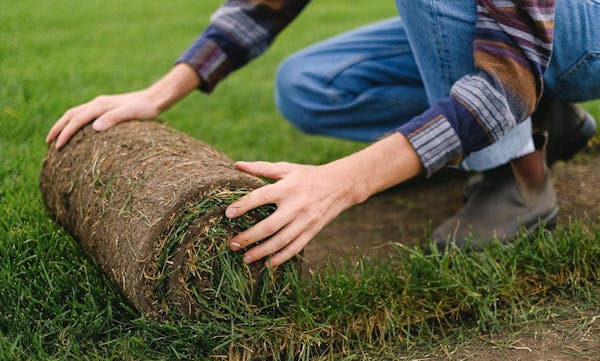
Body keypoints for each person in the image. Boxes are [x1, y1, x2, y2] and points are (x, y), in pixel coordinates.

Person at [46, 0, 599, 267]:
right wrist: (159, 92)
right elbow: (263, 6)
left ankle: (514, 175)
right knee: (310, 84)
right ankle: (540, 122)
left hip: (577, 28)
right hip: (509, 28)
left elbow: (507, 78)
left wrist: (344, 181)